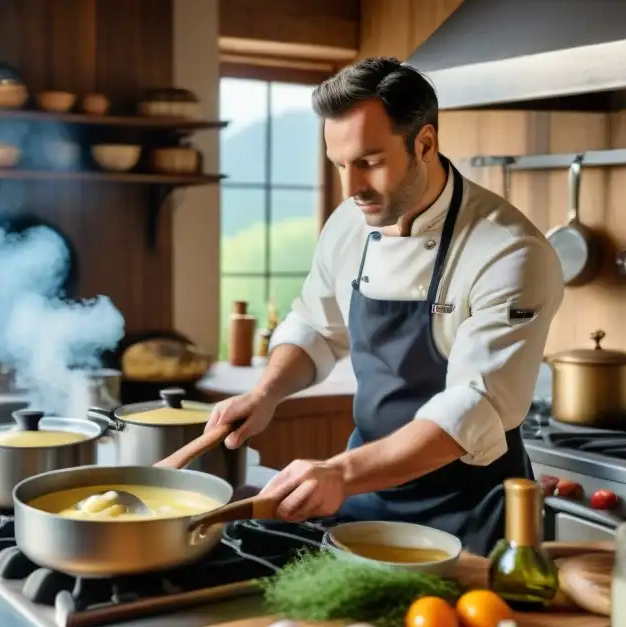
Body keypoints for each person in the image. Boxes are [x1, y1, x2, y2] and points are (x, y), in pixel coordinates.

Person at [206, 57, 564, 554]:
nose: (350, 188)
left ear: (425, 144)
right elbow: (316, 326)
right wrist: (265, 394)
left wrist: (339, 471)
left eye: (369, 162)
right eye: (339, 166)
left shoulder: (509, 252)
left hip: (469, 509)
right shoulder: (349, 224)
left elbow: (472, 407)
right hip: (366, 493)